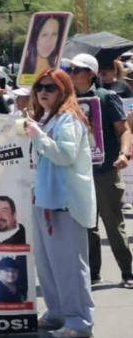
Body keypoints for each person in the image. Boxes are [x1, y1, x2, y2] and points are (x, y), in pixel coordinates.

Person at [23, 67, 96, 338]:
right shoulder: (48, 118)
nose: (43, 92)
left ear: (63, 90)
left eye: (50, 87)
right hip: (44, 199)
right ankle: (57, 312)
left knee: (69, 265)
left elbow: (64, 156)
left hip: (65, 203)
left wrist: (38, 136)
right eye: (39, 87)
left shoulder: (69, 120)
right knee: (47, 263)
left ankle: (79, 320)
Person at [68, 53, 133, 288]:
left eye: (77, 70)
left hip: (105, 170)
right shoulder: (66, 100)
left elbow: (124, 130)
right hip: (79, 172)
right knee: (87, 225)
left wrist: (124, 154)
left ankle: (128, 272)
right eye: (71, 69)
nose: (72, 74)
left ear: (91, 74)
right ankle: (93, 273)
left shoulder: (106, 98)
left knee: (113, 224)